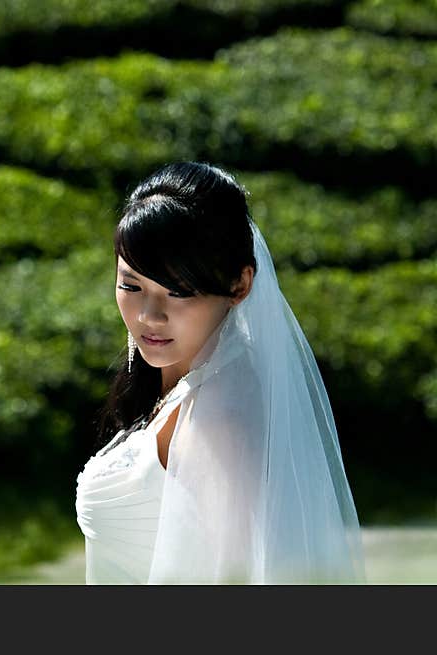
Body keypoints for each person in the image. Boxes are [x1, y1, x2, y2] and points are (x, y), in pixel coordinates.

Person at [75, 161, 367, 584]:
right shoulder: (192, 384)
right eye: (131, 285)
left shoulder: (220, 417)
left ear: (239, 286)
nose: (149, 316)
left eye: (178, 291)